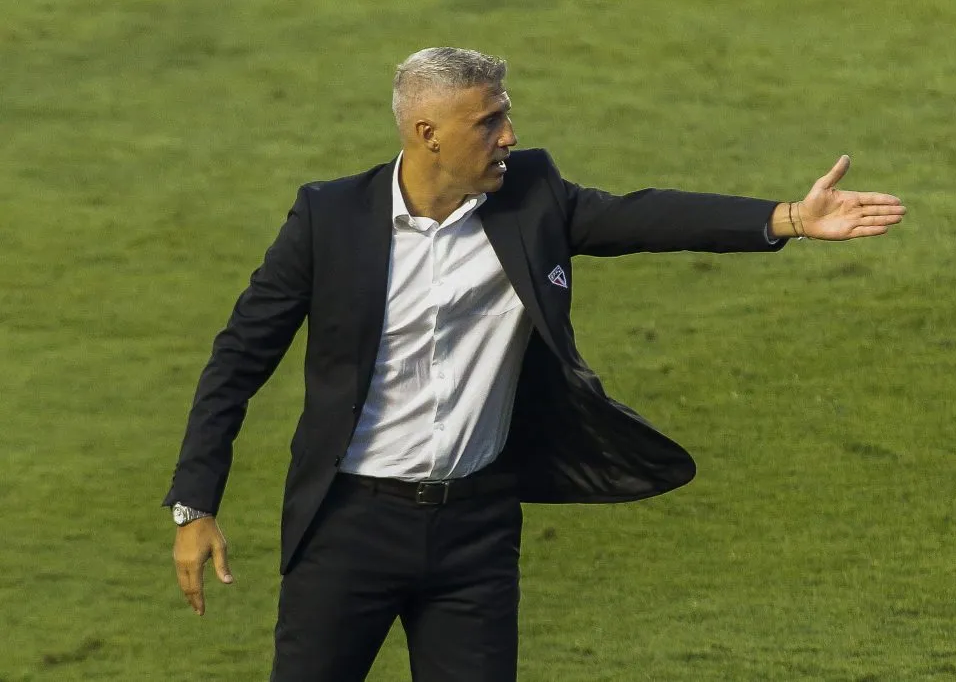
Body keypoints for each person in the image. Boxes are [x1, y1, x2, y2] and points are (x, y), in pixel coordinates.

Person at [164, 47, 906, 681]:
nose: (508, 134)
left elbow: (643, 216)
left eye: (506, 113)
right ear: (427, 133)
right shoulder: (329, 218)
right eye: (487, 121)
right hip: (347, 528)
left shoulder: (531, 199)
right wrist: (195, 505)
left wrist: (788, 218)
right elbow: (238, 357)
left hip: (475, 532)